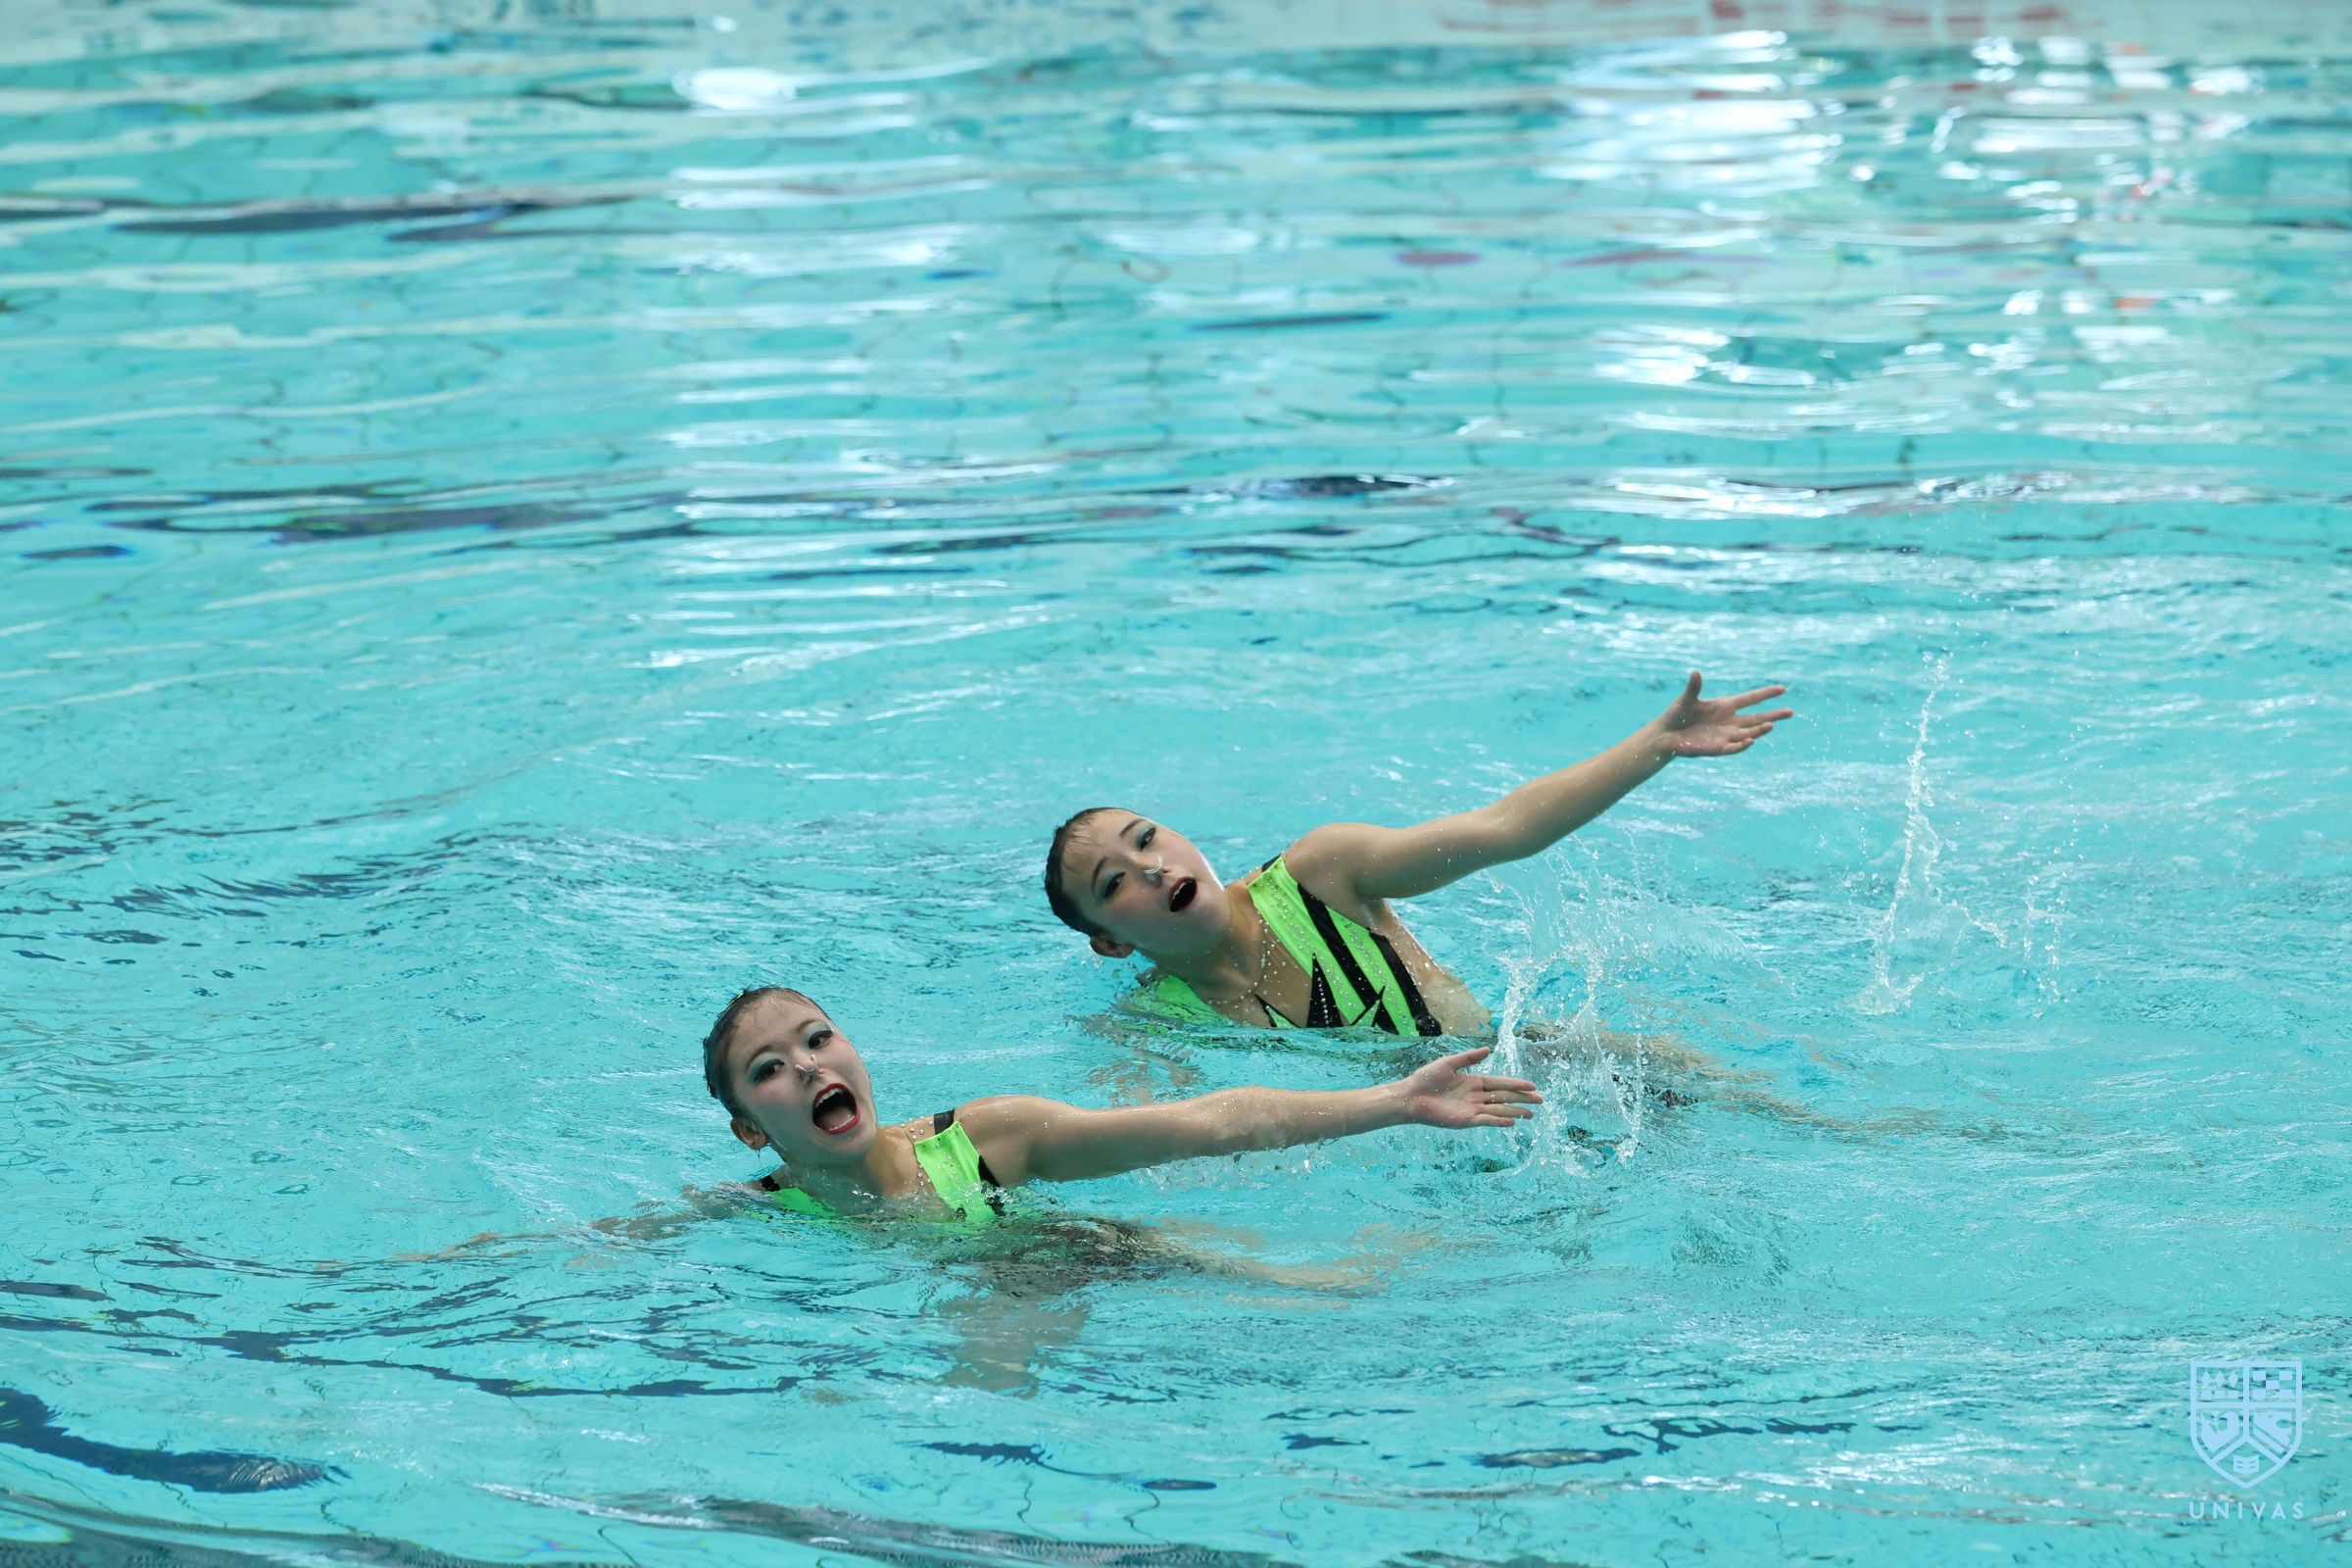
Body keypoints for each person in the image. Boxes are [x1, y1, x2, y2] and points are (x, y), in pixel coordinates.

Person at [1042, 670, 1792, 1034]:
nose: (1152, 867)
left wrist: (1653, 746)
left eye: (1148, 838)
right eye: (1114, 883)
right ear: (1110, 943)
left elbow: (1506, 828)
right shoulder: (1157, 1024)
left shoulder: (1322, 876)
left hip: (1546, 1069)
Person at [702, 987, 1540, 1222]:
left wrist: (1394, 1100)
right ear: (749, 1130)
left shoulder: (989, 1139)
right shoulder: (752, 1210)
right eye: (770, 1068)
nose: (808, 1067)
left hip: (1094, 1268)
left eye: (818, 1039)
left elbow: (1208, 1124)